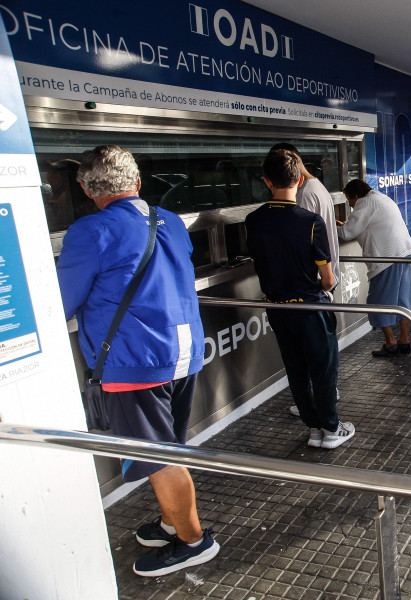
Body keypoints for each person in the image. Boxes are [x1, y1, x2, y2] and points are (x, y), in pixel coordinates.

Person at [56, 145, 218, 577]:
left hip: (136, 361)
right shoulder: (170, 221)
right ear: (139, 183)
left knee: (159, 457)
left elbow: (60, 302)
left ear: (88, 190)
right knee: (170, 448)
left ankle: (193, 540)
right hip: (184, 354)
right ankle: (171, 521)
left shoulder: (89, 232)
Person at [245, 149, 355, 450]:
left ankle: (314, 427)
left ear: (267, 181)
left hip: (277, 309)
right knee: (323, 368)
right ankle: (331, 428)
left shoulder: (253, 221)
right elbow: (328, 279)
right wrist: (321, 286)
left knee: (296, 369)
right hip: (310, 308)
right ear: (298, 178)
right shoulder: (311, 222)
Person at [338, 179, 411, 356]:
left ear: (356, 196)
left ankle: (390, 342)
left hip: (386, 259)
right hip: (404, 253)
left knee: (377, 302)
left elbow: (347, 233)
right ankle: (404, 341)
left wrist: (329, 226)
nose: (350, 205)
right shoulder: (381, 198)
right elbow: (367, 225)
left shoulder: (364, 203)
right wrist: (346, 225)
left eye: (349, 200)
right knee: (402, 301)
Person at [269, 143, 340, 285]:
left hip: (316, 281)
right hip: (326, 275)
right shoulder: (317, 185)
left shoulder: (304, 194)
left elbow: (302, 242)